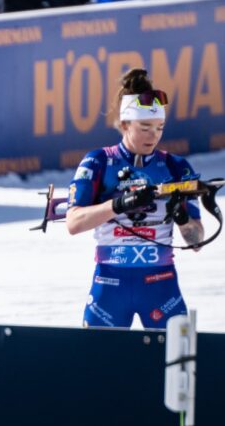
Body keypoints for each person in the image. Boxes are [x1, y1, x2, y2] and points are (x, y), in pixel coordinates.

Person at [66, 69, 205, 329]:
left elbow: (196, 241)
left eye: (159, 128)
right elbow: (73, 223)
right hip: (109, 286)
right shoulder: (98, 161)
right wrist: (119, 204)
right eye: (145, 128)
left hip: (161, 286)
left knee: (179, 365)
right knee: (95, 366)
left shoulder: (176, 167)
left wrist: (182, 218)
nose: (153, 135)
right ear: (125, 123)